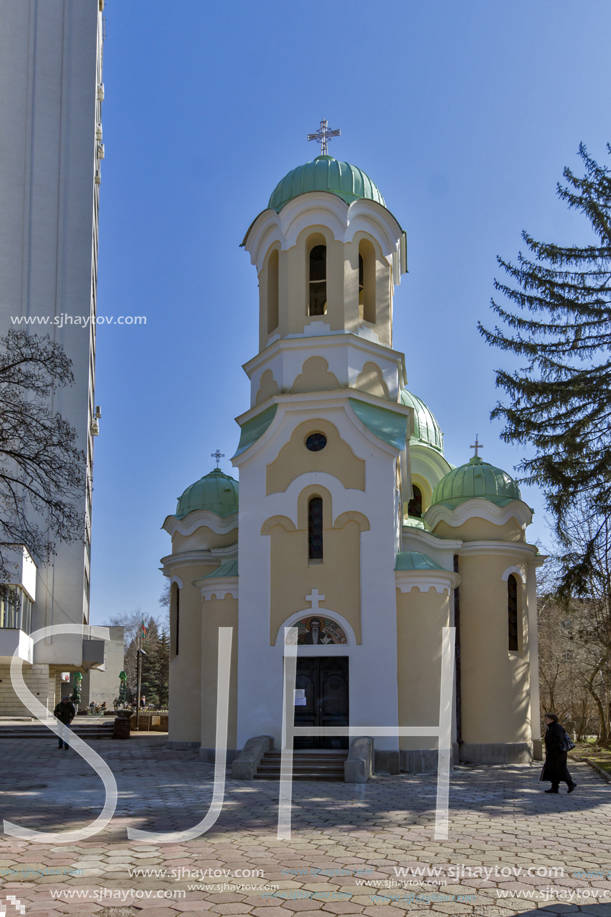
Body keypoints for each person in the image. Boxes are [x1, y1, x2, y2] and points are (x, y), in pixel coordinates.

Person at [541, 713, 577, 794]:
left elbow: (559, 739)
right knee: (553, 770)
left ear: (552, 720)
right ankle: (554, 787)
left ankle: (571, 783)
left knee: (560, 769)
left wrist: (552, 748)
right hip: (553, 753)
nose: (545, 721)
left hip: (558, 753)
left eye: (546, 719)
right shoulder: (551, 727)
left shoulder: (556, 727)